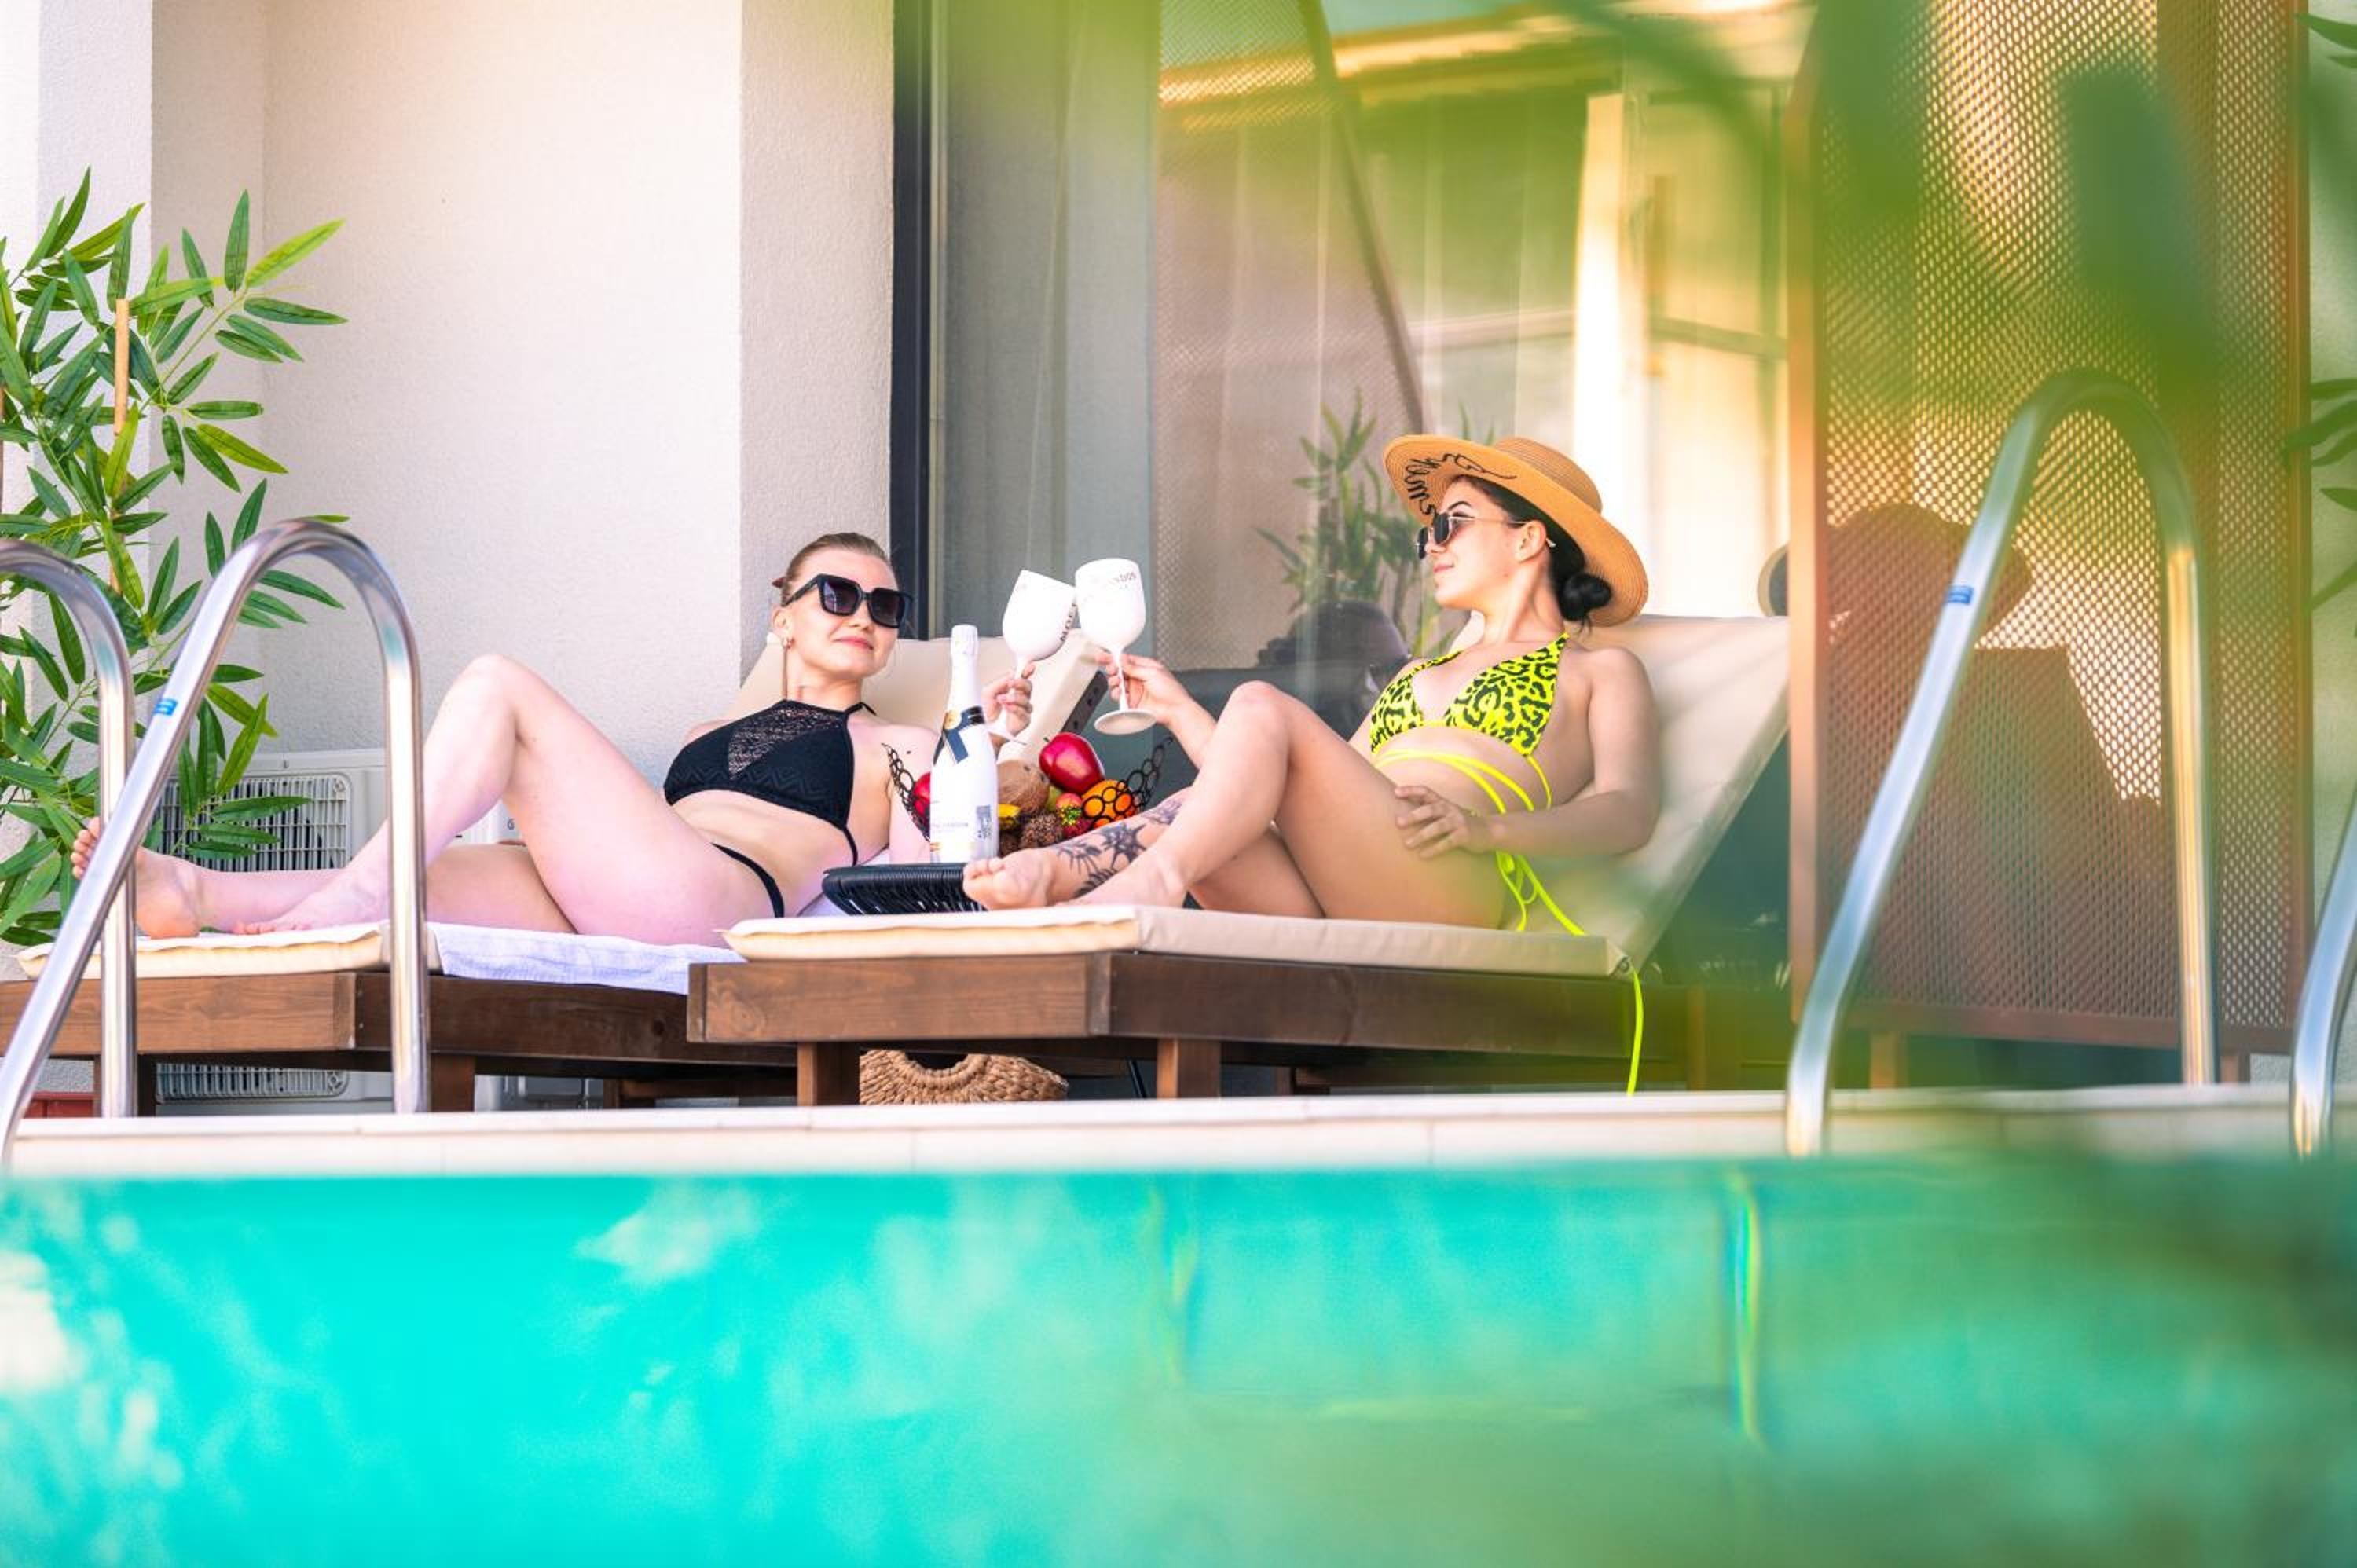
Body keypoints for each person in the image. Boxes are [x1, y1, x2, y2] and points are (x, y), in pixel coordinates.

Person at [74, 533, 1031, 944]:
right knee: (431, 878)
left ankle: (358, 889)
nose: (862, 615)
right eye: (837, 594)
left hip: (720, 898)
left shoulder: (906, 742)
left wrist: (992, 742)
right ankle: (196, 892)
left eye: (884, 606)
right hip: (630, 883)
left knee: (498, 684)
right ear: (783, 618)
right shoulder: (708, 731)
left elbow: (944, 858)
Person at [963, 435, 1659, 929]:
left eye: (1451, 525)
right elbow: (1276, 795)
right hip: (1348, 879)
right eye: (1428, 534)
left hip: (1452, 880)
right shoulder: (1420, 672)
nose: (1432, 546)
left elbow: (1629, 810)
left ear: (1528, 539)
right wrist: (1179, 712)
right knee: (1201, 810)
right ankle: (1065, 873)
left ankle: (1127, 878)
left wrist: (1486, 830)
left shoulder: (1598, 669)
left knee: (1257, 704)